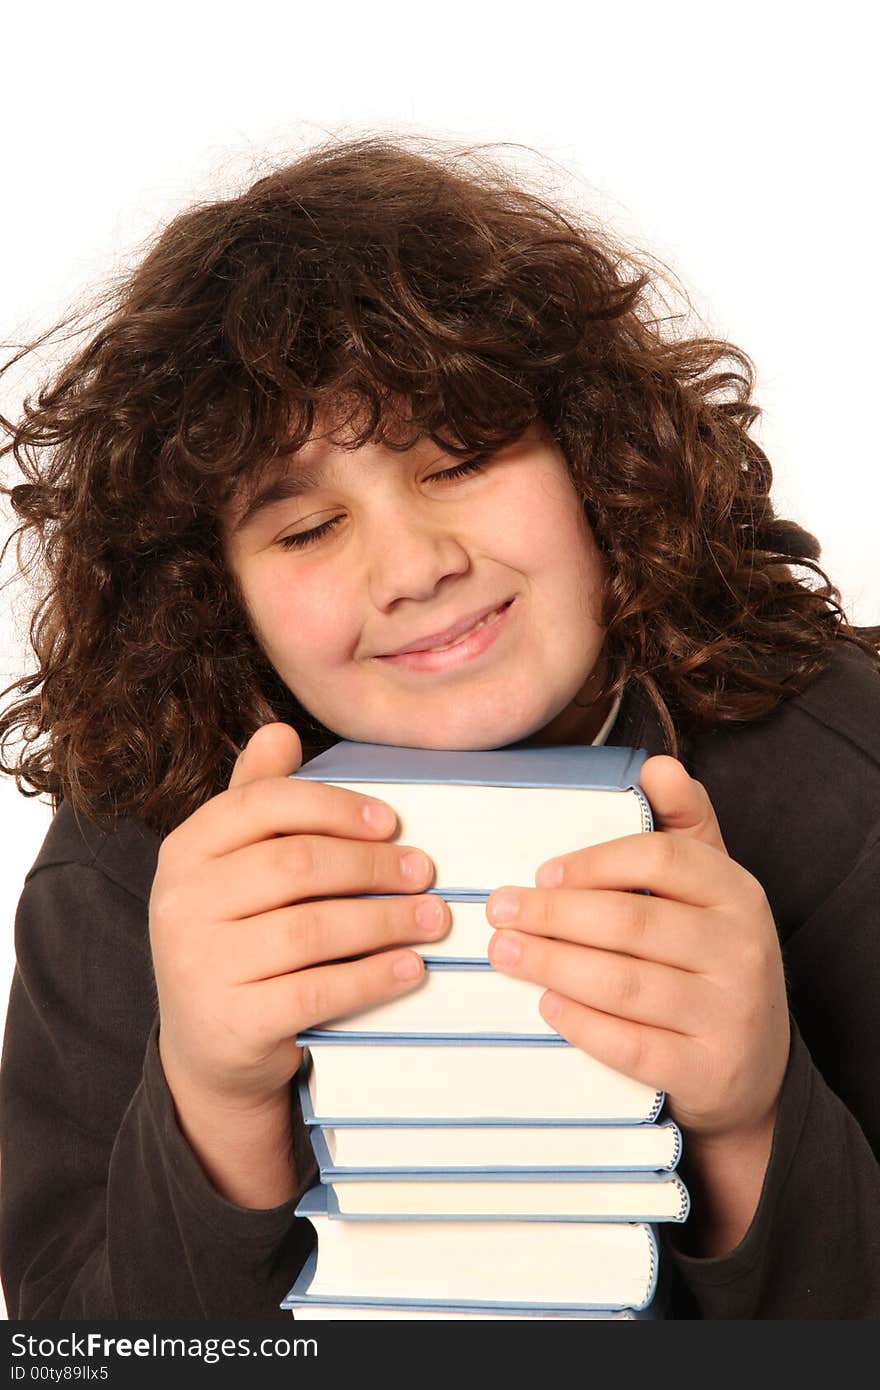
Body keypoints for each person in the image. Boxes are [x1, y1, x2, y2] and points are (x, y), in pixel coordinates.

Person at [0, 134, 877, 1321]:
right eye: (305, 529)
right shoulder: (128, 861)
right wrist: (208, 1107)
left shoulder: (845, 775)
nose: (413, 568)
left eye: (460, 457)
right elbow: (73, 1343)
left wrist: (755, 1122)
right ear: (210, 593)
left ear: (592, 454)